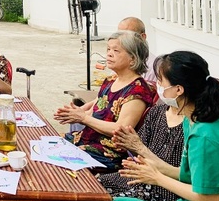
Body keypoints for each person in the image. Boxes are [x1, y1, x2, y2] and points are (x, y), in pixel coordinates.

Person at [114, 51, 219, 201]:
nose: (158, 86)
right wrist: (150, 167)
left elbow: (214, 200)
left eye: (160, 81)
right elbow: (187, 175)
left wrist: (157, 177)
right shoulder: (191, 120)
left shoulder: (204, 136)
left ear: (178, 90)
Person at [54, 31, 155, 171]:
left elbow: (121, 129)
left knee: (54, 164)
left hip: (107, 153)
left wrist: (83, 118)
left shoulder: (138, 91)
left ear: (133, 58)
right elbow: (93, 112)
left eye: (116, 50)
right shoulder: (110, 80)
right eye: (108, 49)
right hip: (85, 140)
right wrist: (74, 114)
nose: (109, 54)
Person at [98, 103, 184, 201]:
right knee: (95, 185)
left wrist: (140, 148)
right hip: (137, 178)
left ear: (179, 89)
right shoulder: (157, 111)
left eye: (162, 85)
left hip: (165, 190)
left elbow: (186, 176)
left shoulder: (193, 125)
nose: (159, 86)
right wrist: (128, 145)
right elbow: (138, 151)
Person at [118, 17, 156, 84]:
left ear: (142, 37)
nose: (121, 40)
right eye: (119, 35)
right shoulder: (118, 60)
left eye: (127, 35)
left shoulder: (153, 66)